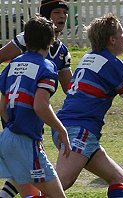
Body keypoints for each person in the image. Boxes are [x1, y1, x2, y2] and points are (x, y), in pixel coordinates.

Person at [51, 13, 123, 198]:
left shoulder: (90, 58)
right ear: (112, 39)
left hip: (67, 128)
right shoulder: (113, 64)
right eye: (122, 33)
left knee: (117, 177)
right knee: (60, 184)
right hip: (79, 131)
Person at [0, 1, 72, 197]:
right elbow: (40, 105)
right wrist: (61, 129)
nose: (62, 16)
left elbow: (2, 106)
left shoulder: (14, 63)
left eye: (64, 12)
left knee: (29, 188)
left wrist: (13, 127)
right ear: (49, 40)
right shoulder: (47, 67)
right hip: (26, 137)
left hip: (8, 136)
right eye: (57, 12)